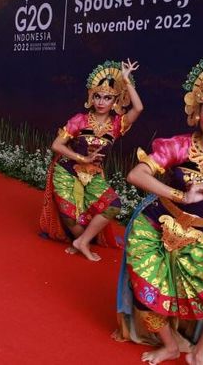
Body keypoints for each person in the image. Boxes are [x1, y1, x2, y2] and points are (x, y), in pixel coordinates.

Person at [115, 49, 203, 365]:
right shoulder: (180, 145)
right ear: (198, 112)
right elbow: (136, 174)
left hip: (201, 239)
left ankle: (201, 353)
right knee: (145, 293)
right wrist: (182, 196)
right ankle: (168, 345)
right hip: (154, 227)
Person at [39, 59, 143, 261]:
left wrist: (126, 80)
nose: (102, 102)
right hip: (66, 170)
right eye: (98, 96)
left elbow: (138, 108)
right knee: (69, 217)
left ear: (115, 101)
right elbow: (56, 145)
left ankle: (81, 242)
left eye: (107, 98)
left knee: (113, 205)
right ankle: (80, 241)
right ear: (91, 98)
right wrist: (83, 157)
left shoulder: (116, 125)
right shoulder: (80, 120)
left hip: (92, 175)